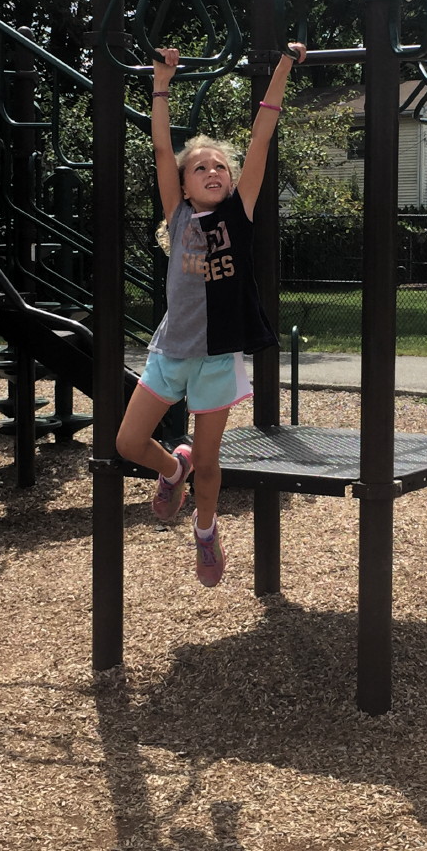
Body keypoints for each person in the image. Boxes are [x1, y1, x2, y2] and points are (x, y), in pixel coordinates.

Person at [116, 42, 306, 587]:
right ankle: (171, 468)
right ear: (184, 181)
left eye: (219, 165)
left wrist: (284, 67)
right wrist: (160, 83)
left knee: (211, 462)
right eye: (201, 166)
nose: (214, 170)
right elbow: (159, 149)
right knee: (127, 443)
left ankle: (205, 532)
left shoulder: (238, 213)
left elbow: (262, 137)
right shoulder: (177, 216)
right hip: (172, 349)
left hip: (218, 356)